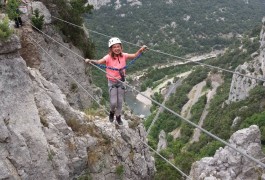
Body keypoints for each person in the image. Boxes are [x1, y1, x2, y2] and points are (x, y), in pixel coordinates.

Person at [85, 37, 147, 125]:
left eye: (118, 46)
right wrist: (90, 61)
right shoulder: (108, 57)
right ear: (111, 49)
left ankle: (118, 117)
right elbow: (99, 62)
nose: (117, 49)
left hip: (121, 82)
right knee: (113, 102)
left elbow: (134, 55)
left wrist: (141, 50)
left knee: (120, 102)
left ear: (121, 47)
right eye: (114, 47)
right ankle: (111, 113)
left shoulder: (124, 55)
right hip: (112, 82)